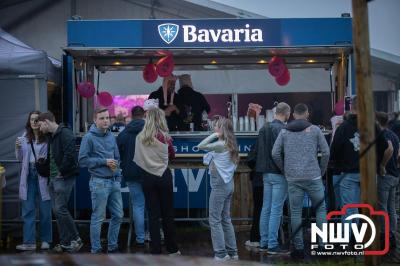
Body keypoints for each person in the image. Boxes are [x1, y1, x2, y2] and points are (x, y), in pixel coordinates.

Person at [272, 103, 330, 259]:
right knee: (320, 210)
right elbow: (326, 152)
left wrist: (285, 169)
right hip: (314, 177)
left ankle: (298, 249)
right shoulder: (316, 130)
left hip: (293, 178)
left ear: (293, 115)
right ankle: (322, 246)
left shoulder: (284, 131)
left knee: (295, 212)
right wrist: (321, 170)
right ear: (307, 114)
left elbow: (275, 153)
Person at [330, 97, 392, 238]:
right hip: (369, 173)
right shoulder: (373, 126)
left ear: (352, 107)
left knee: (349, 211)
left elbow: (334, 150)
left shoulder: (343, 127)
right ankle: (367, 241)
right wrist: (377, 163)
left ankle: (349, 243)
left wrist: (342, 164)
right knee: (369, 210)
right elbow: (384, 146)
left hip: (349, 173)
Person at [133, 107, 180, 255]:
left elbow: (137, 159)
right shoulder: (165, 137)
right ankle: (172, 249)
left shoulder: (140, 137)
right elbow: (172, 155)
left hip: (147, 177)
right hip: (163, 176)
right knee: (167, 214)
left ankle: (156, 250)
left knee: (153, 215)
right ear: (161, 119)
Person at [78, 107, 123, 254]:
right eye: (102, 118)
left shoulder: (111, 135)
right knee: (98, 217)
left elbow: (117, 158)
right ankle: (96, 250)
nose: (105, 121)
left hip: (113, 181)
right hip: (99, 182)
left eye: (107, 118)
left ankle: (112, 246)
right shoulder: (88, 137)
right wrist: (104, 162)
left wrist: (118, 176)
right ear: (95, 120)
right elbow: (82, 161)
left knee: (118, 215)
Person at [37, 111, 82, 252]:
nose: (39, 129)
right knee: (57, 211)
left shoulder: (65, 133)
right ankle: (65, 243)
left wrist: (61, 172)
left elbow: (71, 155)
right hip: (54, 178)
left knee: (60, 209)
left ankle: (76, 238)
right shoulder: (51, 136)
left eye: (40, 125)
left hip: (63, 177)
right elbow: (54, 156)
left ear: (46, 122)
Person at [197, 117, 239, 261]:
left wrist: (214, 136)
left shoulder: (221, 144)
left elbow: (201, 145)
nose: (214, 129)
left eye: (217, 127)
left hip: (220, 185)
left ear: (223, 130)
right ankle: (233, 253)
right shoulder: (232, 143)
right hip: (229, 184)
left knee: (214, 220)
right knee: (225, 219)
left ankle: (221, 254)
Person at [256, 102, 291, 254]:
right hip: (278, 173)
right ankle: (272, 244)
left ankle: (264, 242)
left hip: (265, 173)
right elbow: (284, 153)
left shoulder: (263, 128)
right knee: (276, 209)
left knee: (266, 208)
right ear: (287, 114)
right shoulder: (284, 129)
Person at [15, 111, 52, 251]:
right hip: (29, 175)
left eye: (37, 120)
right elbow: (19, 158)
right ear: (29, 122)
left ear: (41, 121)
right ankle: (29, 242)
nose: (34, 122)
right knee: (28, 210)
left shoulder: (48, 138)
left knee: (45, 210)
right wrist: (17, 148)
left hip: (42, 175)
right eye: (32, 120)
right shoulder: (24, 137)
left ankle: (46, 240)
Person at [117, 106, 146, 246]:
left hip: (130, 173)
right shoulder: (150, 130)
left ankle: (140, 238)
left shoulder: (124, 133)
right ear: (144, 115)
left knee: (138, 206)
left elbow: (118, 153)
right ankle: (154, 234)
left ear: (132, 115)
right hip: (149, 172)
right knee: (153, 205)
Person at [376, 112, 398, 250]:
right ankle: (393, 235)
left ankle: (384, 235)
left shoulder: (383, 135)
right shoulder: (394, 134)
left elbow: (389, 148)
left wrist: (383, 165)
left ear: (377, 122)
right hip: (395, 175)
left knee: (382, 207)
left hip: (386, 175)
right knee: (392, 208)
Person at [245, 143, 263, 249]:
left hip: (258, 179)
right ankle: (272, 240)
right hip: (277, 178)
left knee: (258, 209)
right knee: (274, 210)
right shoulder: (281, 135)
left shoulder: (259, 140)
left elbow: (250, 160)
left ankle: (256, 238)